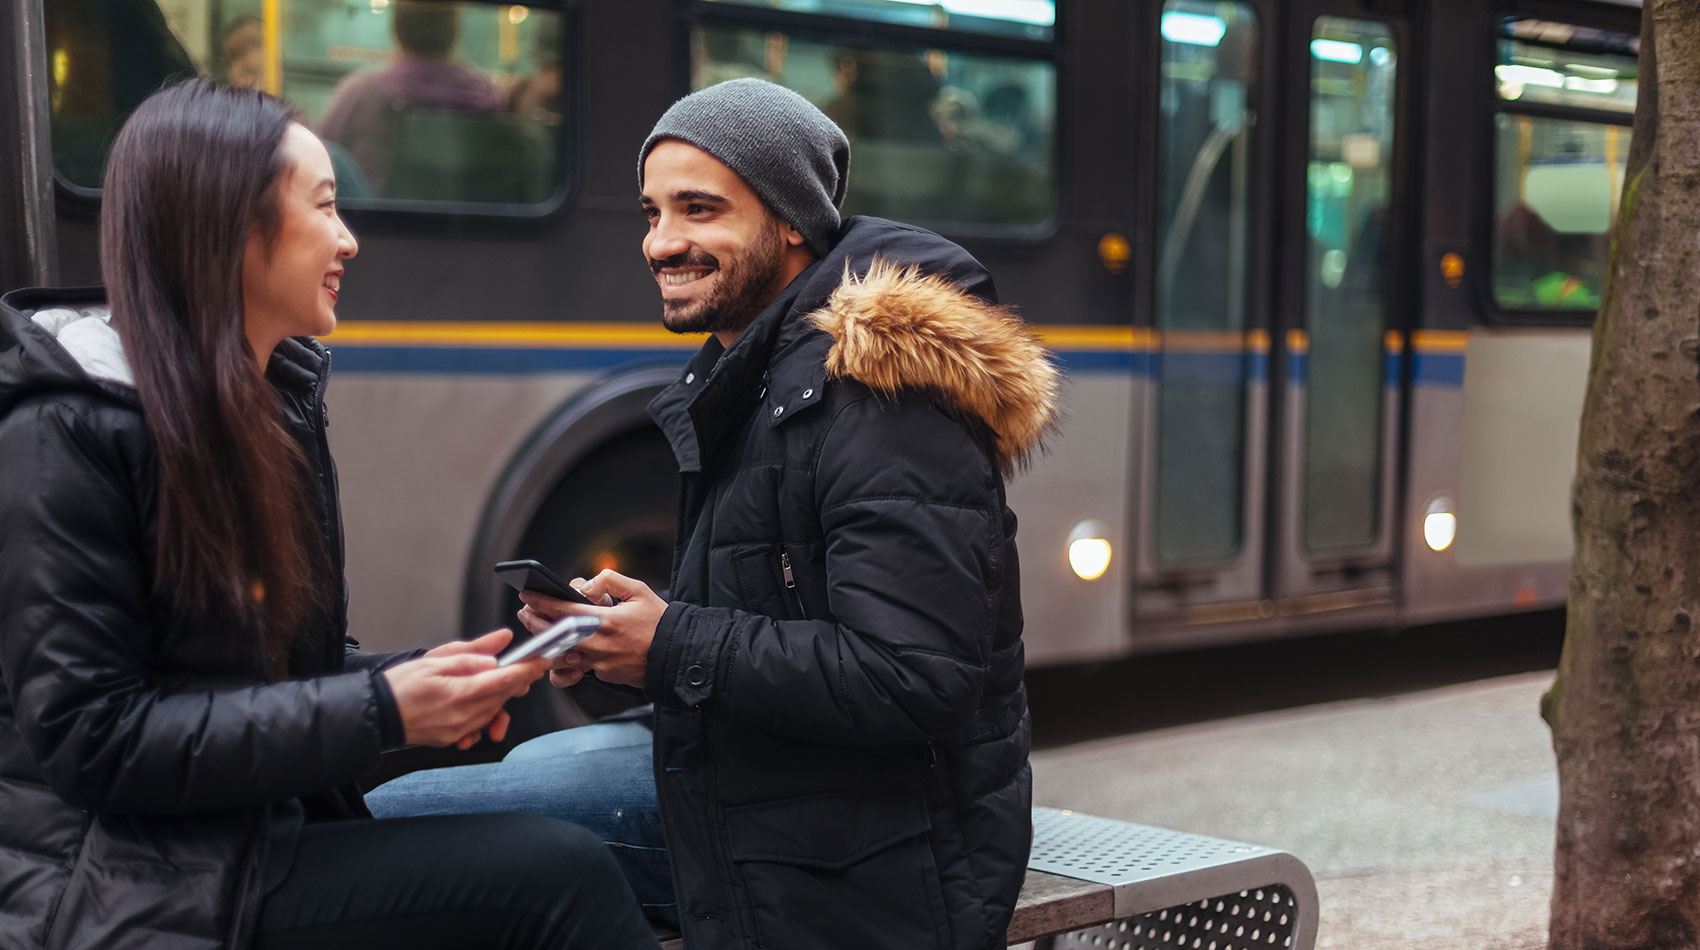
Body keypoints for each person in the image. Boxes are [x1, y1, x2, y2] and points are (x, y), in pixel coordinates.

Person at [372, 78, 1057, 950]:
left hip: (880, 835)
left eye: (700, 210)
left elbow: (912, 675)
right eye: (652, 213)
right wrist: (628, 636)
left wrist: (670, 646)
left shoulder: (885, 393)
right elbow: (794, 602)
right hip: (794, 776)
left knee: (394, 817)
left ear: (791, 223)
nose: (663, 243)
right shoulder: (768, 368)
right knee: (531, 766)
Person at [0, 79, 658, 950]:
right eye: (324, 207)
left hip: (229, 845)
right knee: (559, 875)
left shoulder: (266, 404)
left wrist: (450, 674)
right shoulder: (65, 428)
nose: (349, 239)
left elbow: (273, 681)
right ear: (232, 226)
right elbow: (96, 742)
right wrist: (383, 711)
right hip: (120, 884)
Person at [316, 1, 503, 193]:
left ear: (396, 29)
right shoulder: (488, 97)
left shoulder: (361, 92)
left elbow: (318, 158)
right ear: (455, 31)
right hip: (470, 222)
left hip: (372, 222)